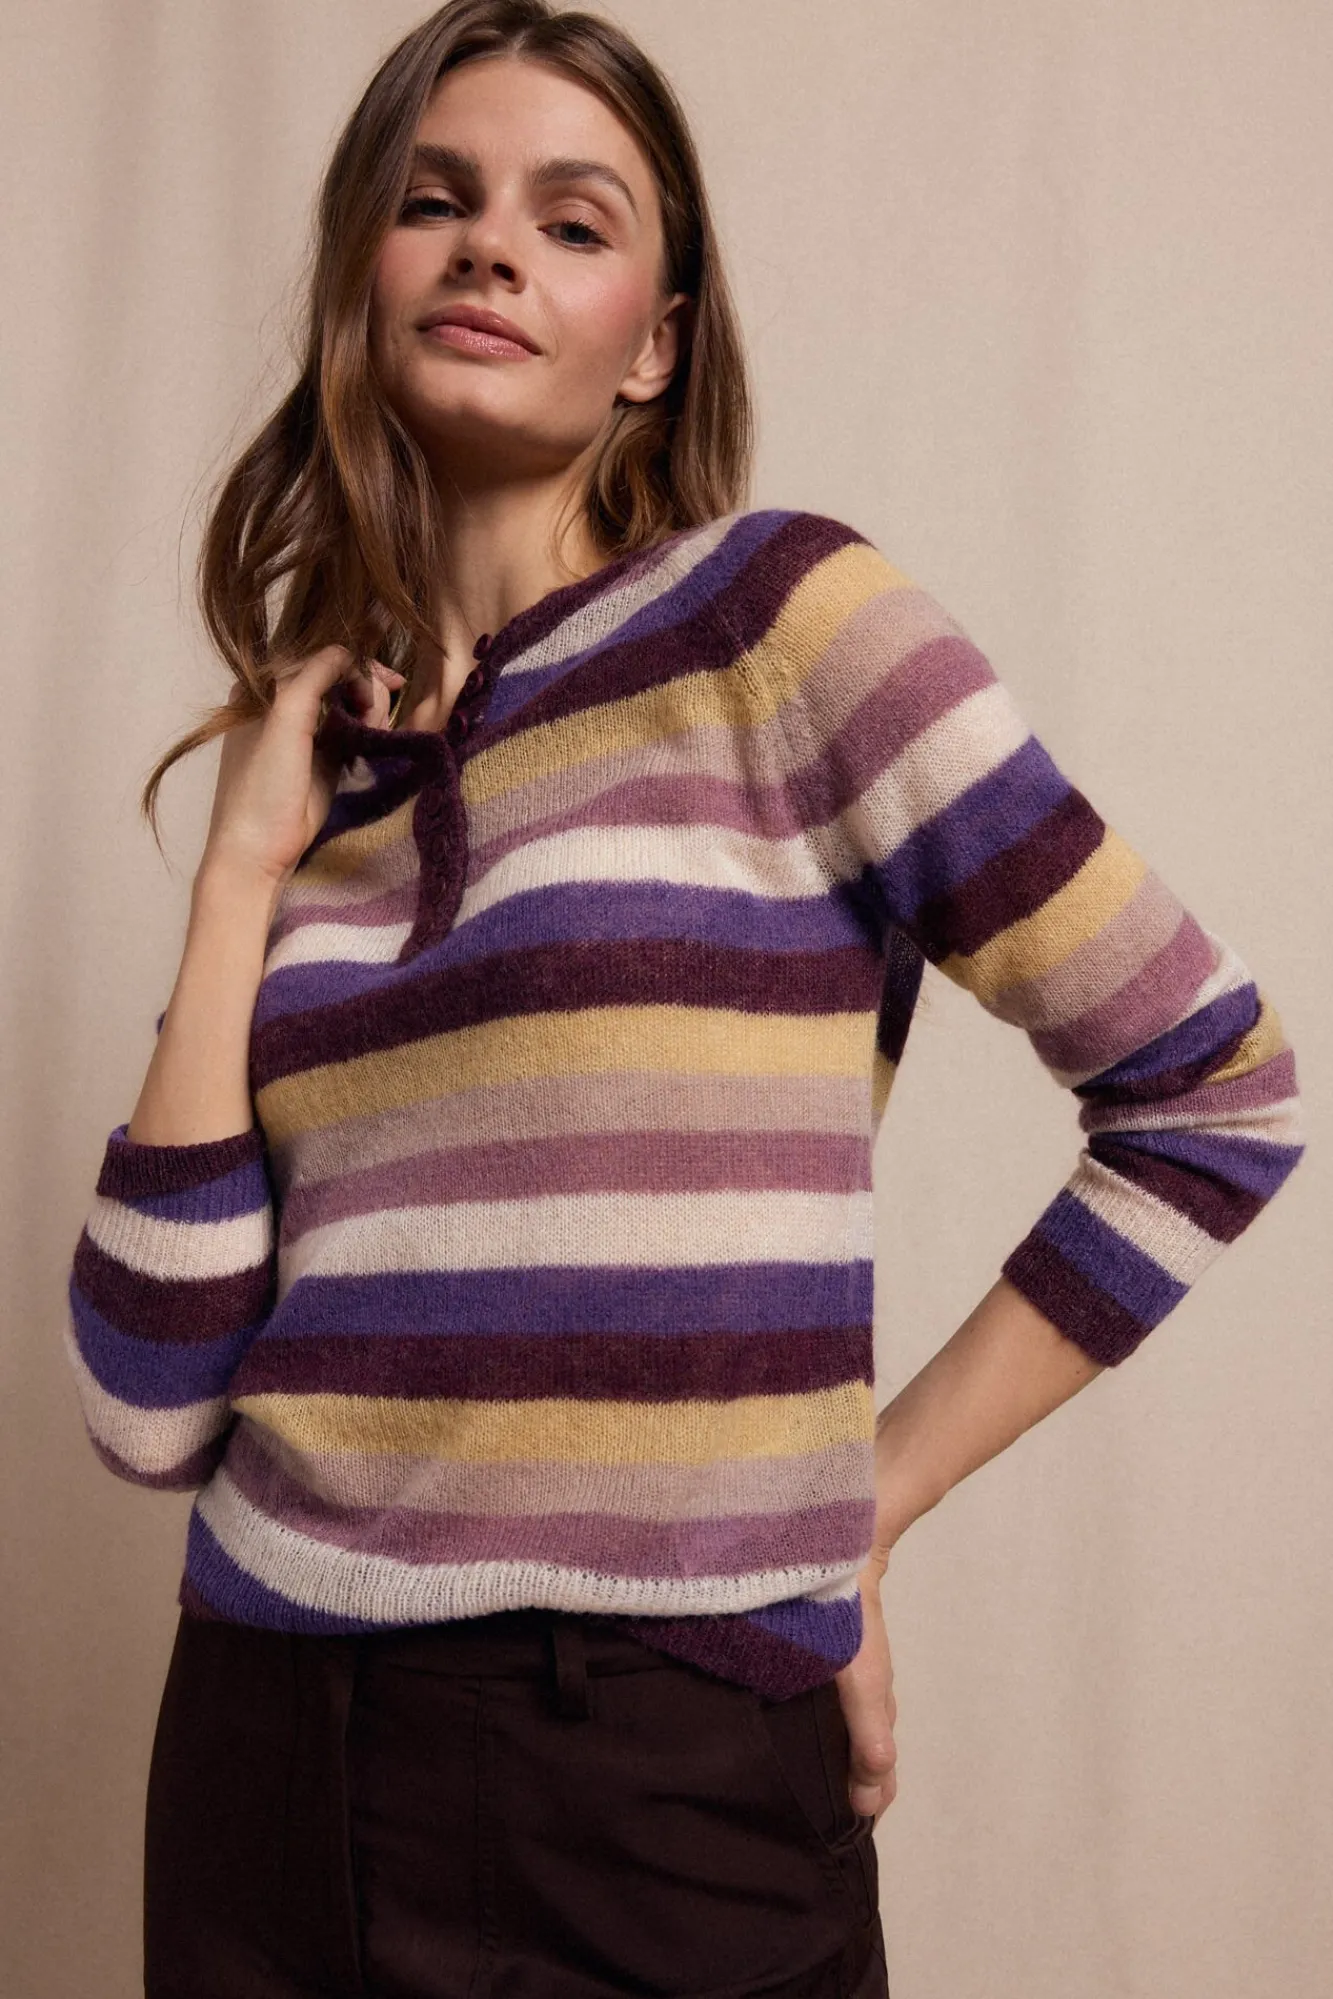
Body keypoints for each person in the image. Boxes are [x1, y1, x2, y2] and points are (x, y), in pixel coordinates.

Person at [62, 3, 1305, 1996]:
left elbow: (1212, 1095)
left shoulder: (782, 627)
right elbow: (146, 1411)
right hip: (260, 1747)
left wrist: (866, 1502)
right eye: (436, 201)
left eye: (572, 221)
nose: (489, 244)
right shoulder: (316, 789)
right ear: (362, 272)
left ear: (652, 342)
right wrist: (236, 881)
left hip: (648, 1765)